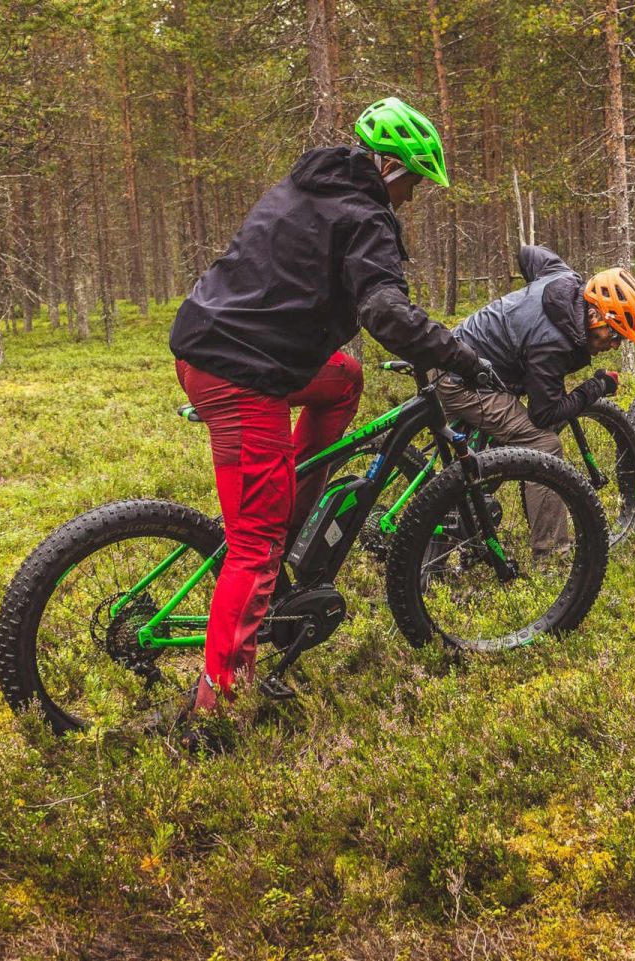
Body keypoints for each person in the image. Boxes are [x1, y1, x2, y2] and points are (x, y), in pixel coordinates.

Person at [169, 96, 490, 715]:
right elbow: (383, 311)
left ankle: (293, 503)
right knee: (254, 544)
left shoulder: (307, 186)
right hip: (243, 372)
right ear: (390, 169)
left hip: (220, 345)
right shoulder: (366, 215)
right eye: (414, 183)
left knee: (342, 379)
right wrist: (457, 356)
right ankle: (218, 703)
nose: (413, 198)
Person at [441, 250, 635, 554]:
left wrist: (520, 312)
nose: (615, 344)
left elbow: (527, 254)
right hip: (463, 381)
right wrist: (596, 387)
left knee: (473, 453)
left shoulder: (562, 277)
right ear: (593, 315)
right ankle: (551, 554)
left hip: (459, 352)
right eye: (614, 334)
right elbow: (545, 413)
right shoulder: (551, 344)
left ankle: (447, 523)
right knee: (544, 445)